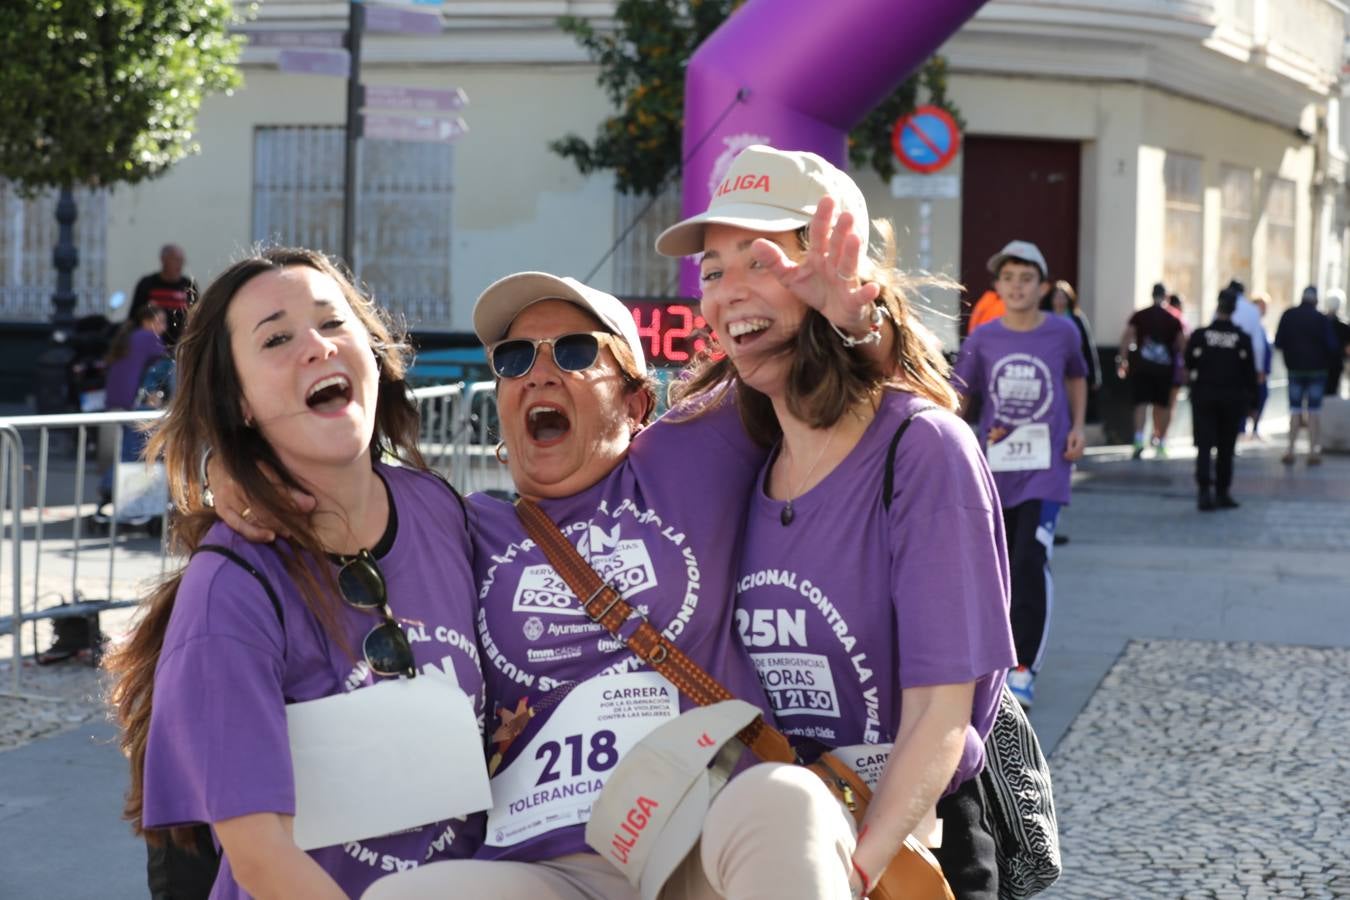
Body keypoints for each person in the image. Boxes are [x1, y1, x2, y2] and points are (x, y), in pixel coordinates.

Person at [656, 144, 1017, 899]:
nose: (725, 293)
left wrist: (854, 871)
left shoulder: (922, 451)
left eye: (758, 262)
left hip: (910, 845)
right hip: (787, 831)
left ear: (835, 267)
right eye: (713, 272)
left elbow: (939, 715)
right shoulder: (742, 458)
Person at [104, 247, 485, 900]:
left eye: (333, 323)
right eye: (276, 338)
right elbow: (261, 858)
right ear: (241, 403)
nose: (316, 347)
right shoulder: (229, 589)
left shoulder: (439, 509)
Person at [954, 239, 1087, 711]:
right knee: (998, 568)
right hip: (996, 470)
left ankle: (1024, 667)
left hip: (1046, 468)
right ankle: (995, 660)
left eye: (1026, 279)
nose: (1017, 286)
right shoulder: (983, 339)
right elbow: (960, 400)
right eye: (1008, 278)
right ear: (997, 285)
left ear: (1043, 286)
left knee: (1032, 557)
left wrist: (1076, 427)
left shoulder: (1063, 332)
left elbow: (1076, 376)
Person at [1184, 288, 1257, 511]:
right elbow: (1250, 373)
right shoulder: (1242, 339)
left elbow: (1189, 362)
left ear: (1217, 306)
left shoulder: (1201, 335)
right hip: (1231, 398)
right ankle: (1222, 492)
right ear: (1234, 310)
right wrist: (1252, 404)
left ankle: (1205, 491)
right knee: (1226, 447)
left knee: (1204, 445)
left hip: (1204, 396)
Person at [1117, 282, 1185, 459]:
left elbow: (1127, 336)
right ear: (1166, 296)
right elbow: (1182, 343)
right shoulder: (1173, 318)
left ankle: (1139, 439)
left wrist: (1122, 359)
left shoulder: (1140, 315)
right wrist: (1184, 366)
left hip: (1142, 367)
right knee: (1162, 405)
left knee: (1141, 403)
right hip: (1164, 369)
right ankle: (1160, 441)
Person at [1274, 285, 1340, 465]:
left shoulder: (1289, 315)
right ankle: (1313, 451)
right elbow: (1332, 346)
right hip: (1317, 371)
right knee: (1314, 411)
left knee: (1295, 410)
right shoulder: (1321, 319)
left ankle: (1290, 449)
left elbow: (1279, 342)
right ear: (1316, 300)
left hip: (1295, 369)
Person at [131, 243, 197, 347]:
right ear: (163, 260)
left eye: (182, 261)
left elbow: (196, 314)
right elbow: (134, 315)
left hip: (180, 343)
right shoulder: (147, 284)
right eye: (176, 260)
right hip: (152, 343)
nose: (179, 265)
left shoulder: (189, 285)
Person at [1243, 294, 1274, 440]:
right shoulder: (1252, 325)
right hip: (1253, 372)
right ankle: (1243, 429)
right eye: (1262, 306)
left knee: (1261, 398)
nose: (1264, 309)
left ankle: (1254, 428)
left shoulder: (1261, 326)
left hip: (1262, 372)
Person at [1324, 290, 1350, 398]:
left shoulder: (1320, 322)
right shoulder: (1344, 326)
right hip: (1335, 363)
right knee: (1332, 391)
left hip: (1322, 363)